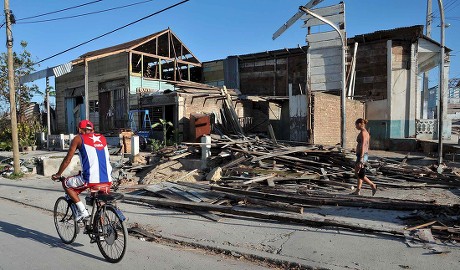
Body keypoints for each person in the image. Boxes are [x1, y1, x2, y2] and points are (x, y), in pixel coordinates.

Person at [52, 120, 112, 221]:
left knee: (67, 184)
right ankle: (102, 231)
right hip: (107, 179)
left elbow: (68, 159)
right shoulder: (102, 138)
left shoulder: (78, 138)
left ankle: (83, 212)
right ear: (92, 129)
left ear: (79, 129)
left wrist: (58, 174)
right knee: (100, 205)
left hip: (90, 179)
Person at [352, 118, 377, 196]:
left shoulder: (363, 133)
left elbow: (363, 145)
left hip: (362, 155)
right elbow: (365, 145)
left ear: (359, 124)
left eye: (356, 125)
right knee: (360, 173)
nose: (355, 126)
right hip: (362, 154)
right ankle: (358, 191)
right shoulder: (365, 132)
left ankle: (372, 185)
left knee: (358, 173)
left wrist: (361, 157)